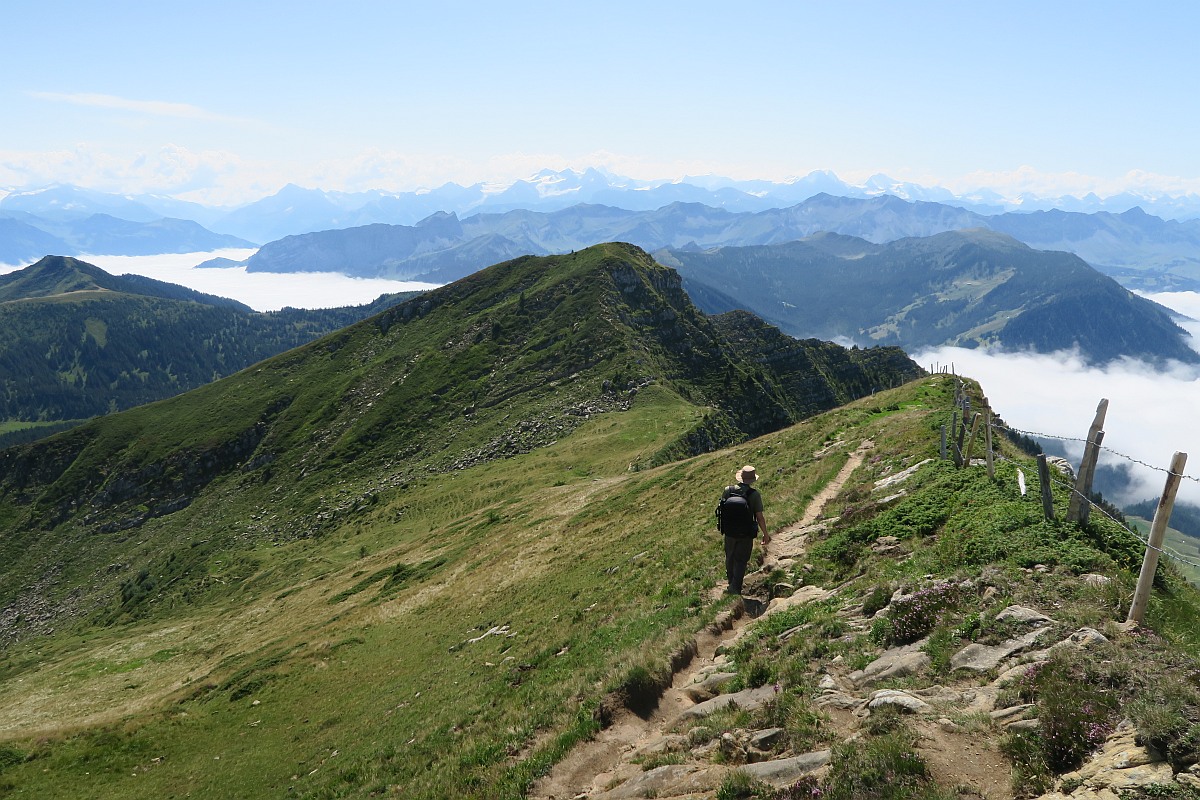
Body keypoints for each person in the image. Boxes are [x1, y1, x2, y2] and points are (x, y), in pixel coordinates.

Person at [721, 465, 771, 595]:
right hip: (746, 533)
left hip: (729, 531)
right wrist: (765, 534)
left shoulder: (728, 490)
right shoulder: (754, 495)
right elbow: (759, 517)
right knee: (741, 560)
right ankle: (735, 587)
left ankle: (731, 583)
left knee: (730, 557)